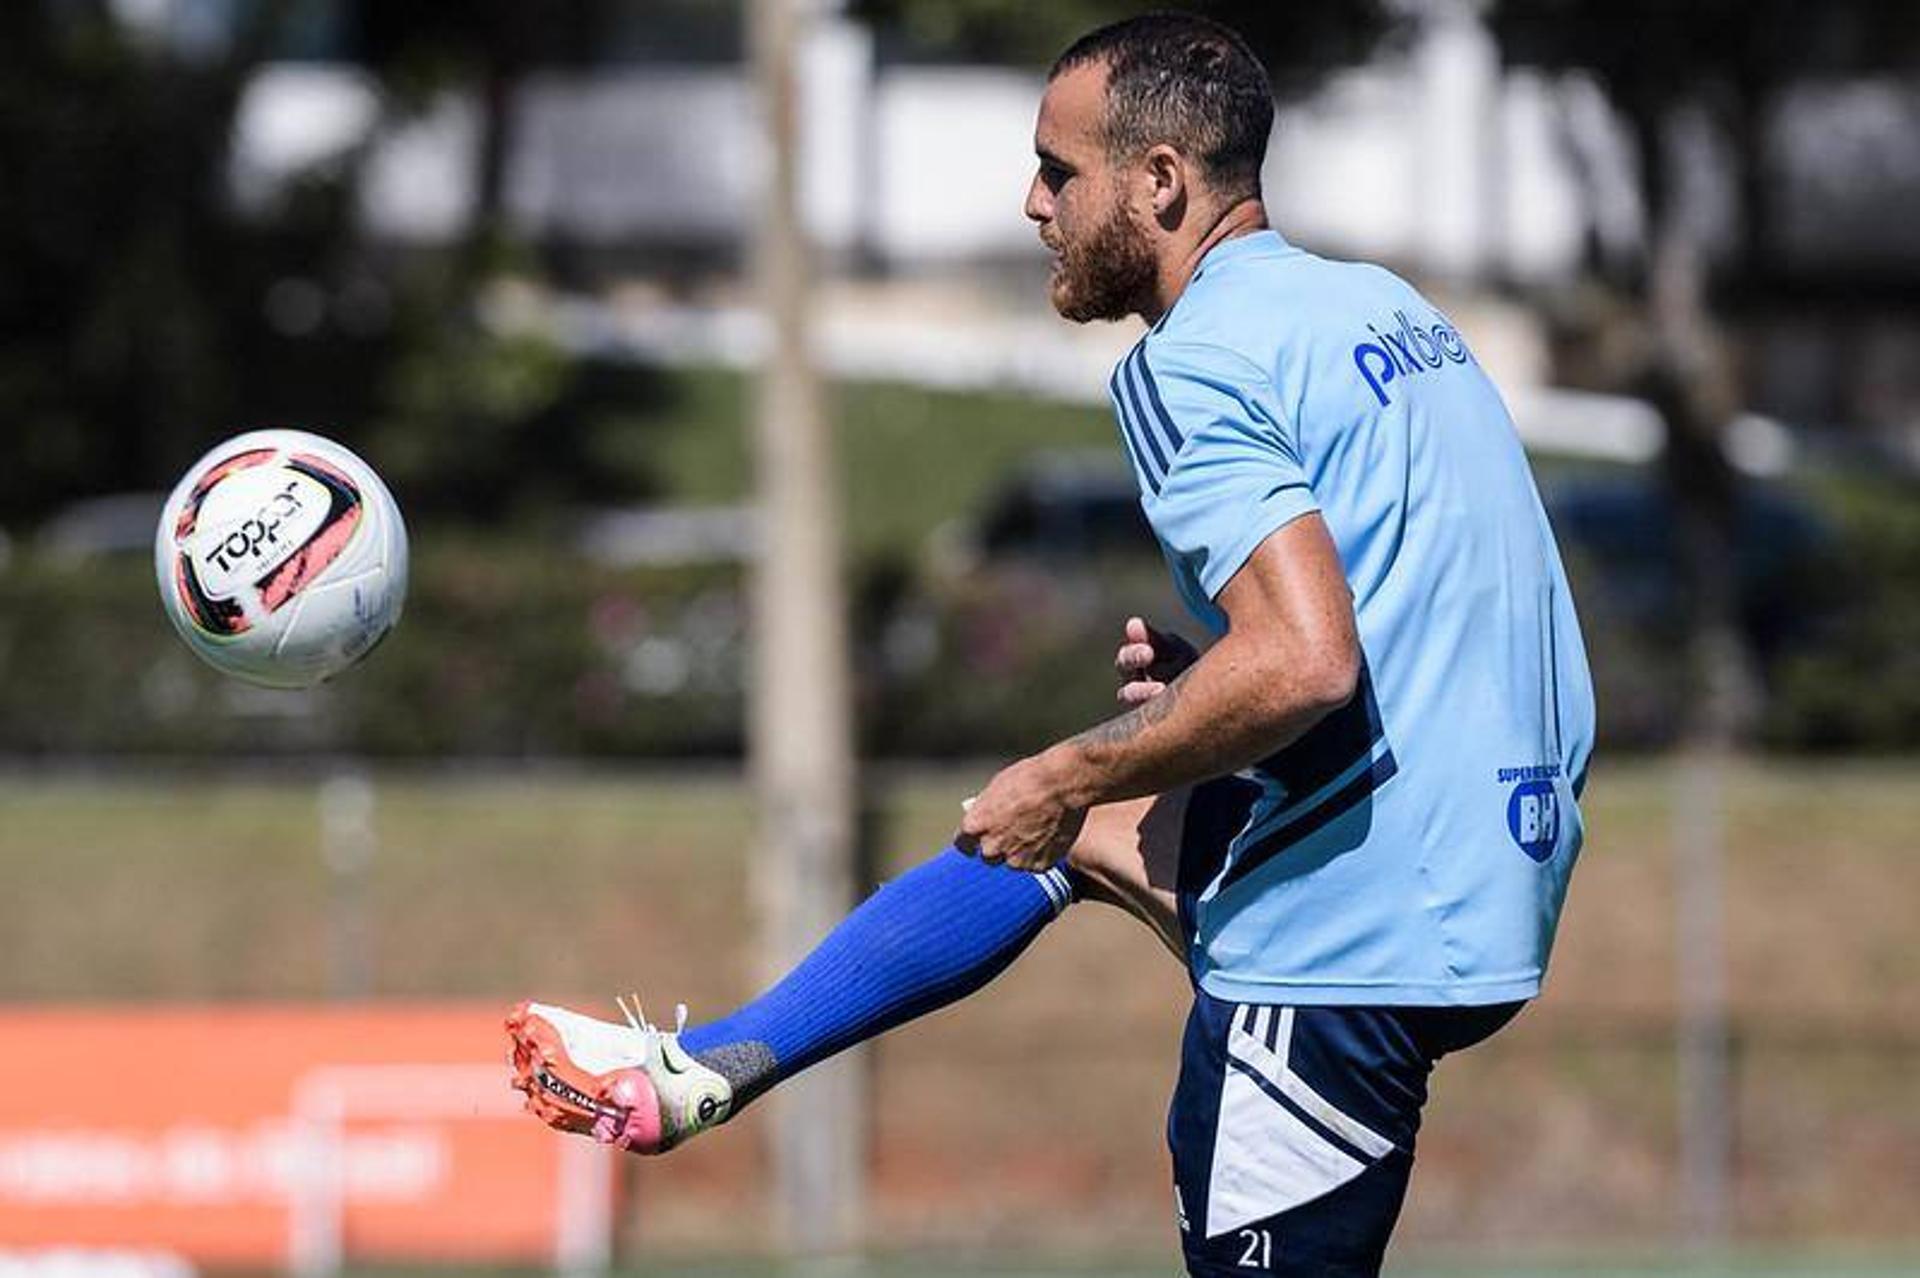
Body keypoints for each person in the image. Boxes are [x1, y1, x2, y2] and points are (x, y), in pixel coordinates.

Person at [508, 13, 1594, 1275]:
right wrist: (1194, 712)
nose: (1034, 203)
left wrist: (1076, 765)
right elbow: (1417, 613)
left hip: (1352, 939)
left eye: (1059, 171)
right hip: (1496, 868)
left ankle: (703, 1077)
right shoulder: (1382, 308)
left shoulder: (1190, 361)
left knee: (1057, 800)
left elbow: (1306, 662)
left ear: (1162, 184)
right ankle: (710, 1069)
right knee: (1084, 829)